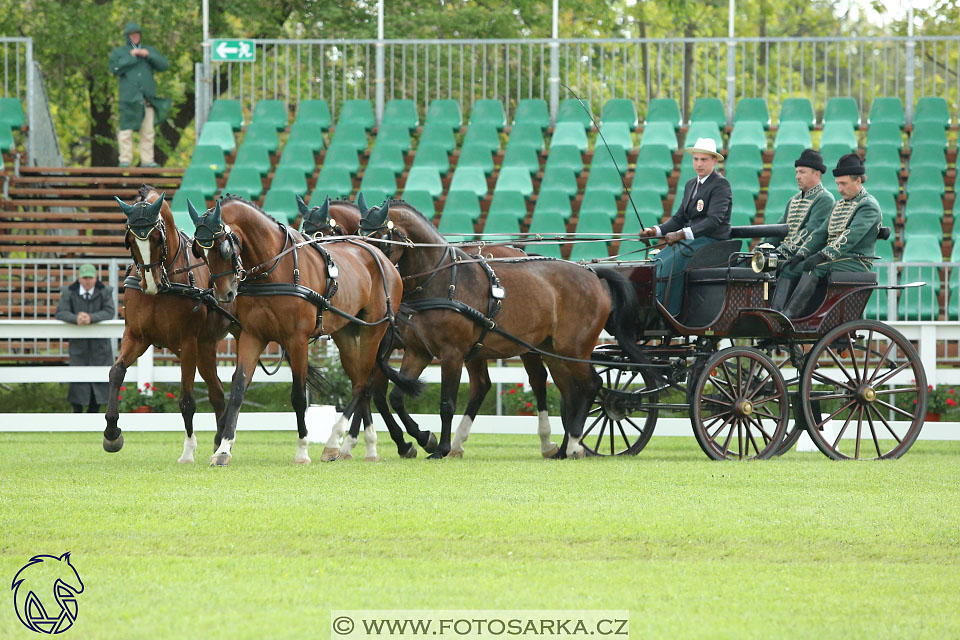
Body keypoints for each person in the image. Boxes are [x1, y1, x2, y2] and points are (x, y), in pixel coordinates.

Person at [777, 153, 881, 317]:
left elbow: (850, 237)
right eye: (838, 184)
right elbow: (820, 233)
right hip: (835, 259)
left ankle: (789, 316)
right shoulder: (839, 204)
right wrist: (800, 255)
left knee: (814, 268)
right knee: (789, 269)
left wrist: (821, 256)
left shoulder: (868, 206)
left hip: (856, 260)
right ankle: (777, 312)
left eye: (844, 184)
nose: (839, 189)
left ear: (858, 181)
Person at [638, 137, 732, 315]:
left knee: (673, 261)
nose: (699, 164)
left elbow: (714, 221)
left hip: (712, 241)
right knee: (656, 261)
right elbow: (679, 217)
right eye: (696, 159)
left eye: (703, 160)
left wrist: (681, 234)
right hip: (691, 240)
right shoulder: (691, 184)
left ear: (714, 161)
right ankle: (650, 306)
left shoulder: (721, 185)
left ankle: (669, 311)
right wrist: (655, 231)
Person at [769, 148, 836, 310]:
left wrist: (781, 252)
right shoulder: (794, 200)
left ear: (817, 174)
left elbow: (811, 231)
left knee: (784, 268)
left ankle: (777, 314)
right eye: (797, 172)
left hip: (807, 256)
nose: (797, 176)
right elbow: (779, 229)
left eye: (802, 172)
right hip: (789, 254)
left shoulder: (824, 198)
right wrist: (764, 248)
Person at [55, 264, 117, 413]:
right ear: (79, 278)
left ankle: (93, 413)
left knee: (100, 381)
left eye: (90, 277)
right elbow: (61, 312)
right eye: (85, 278)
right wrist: (76, 318)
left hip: (100, 346)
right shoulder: (69, 292)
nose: (88, 281)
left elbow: (110, 311)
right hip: (78, 345)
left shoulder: (104, 291)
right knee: (77, 380)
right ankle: (77, 414)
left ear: (96, 278)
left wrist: (91, 318)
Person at [108, 22, 170, 168]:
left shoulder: (148, 51)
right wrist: (131, 57)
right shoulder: (120, 52)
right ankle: (125, 160)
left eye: (137, 34)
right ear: (127, 37)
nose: (135, 37)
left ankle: (147, 161)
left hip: (146, 98)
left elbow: (164, 65)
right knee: (126, 132)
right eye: (132, 35)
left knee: (148, 132)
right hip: (128, 99)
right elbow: (114, 69)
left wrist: (149, 55)